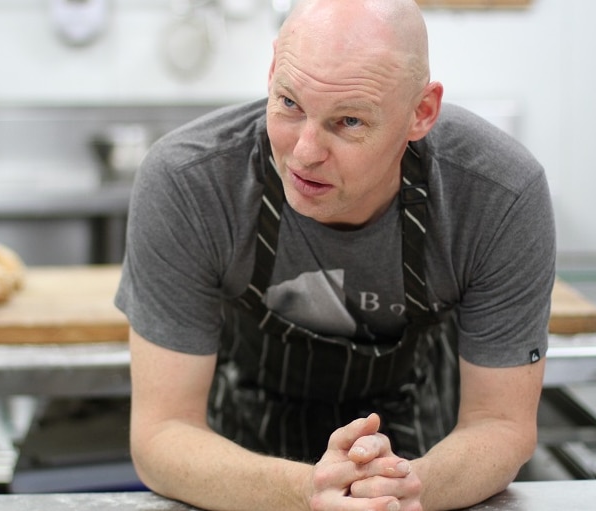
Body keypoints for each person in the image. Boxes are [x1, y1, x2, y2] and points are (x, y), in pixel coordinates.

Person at [115, 0, 555, 509]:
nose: (304, 152)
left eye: (348, 121)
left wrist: (409, 490)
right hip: (238, 470)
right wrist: (305, 492)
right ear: (273, 68)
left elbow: (500, 424)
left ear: (421, 113)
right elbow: (162, 435)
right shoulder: (190, 183)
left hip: (423, 458)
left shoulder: (497, 194)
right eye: (289, 103)